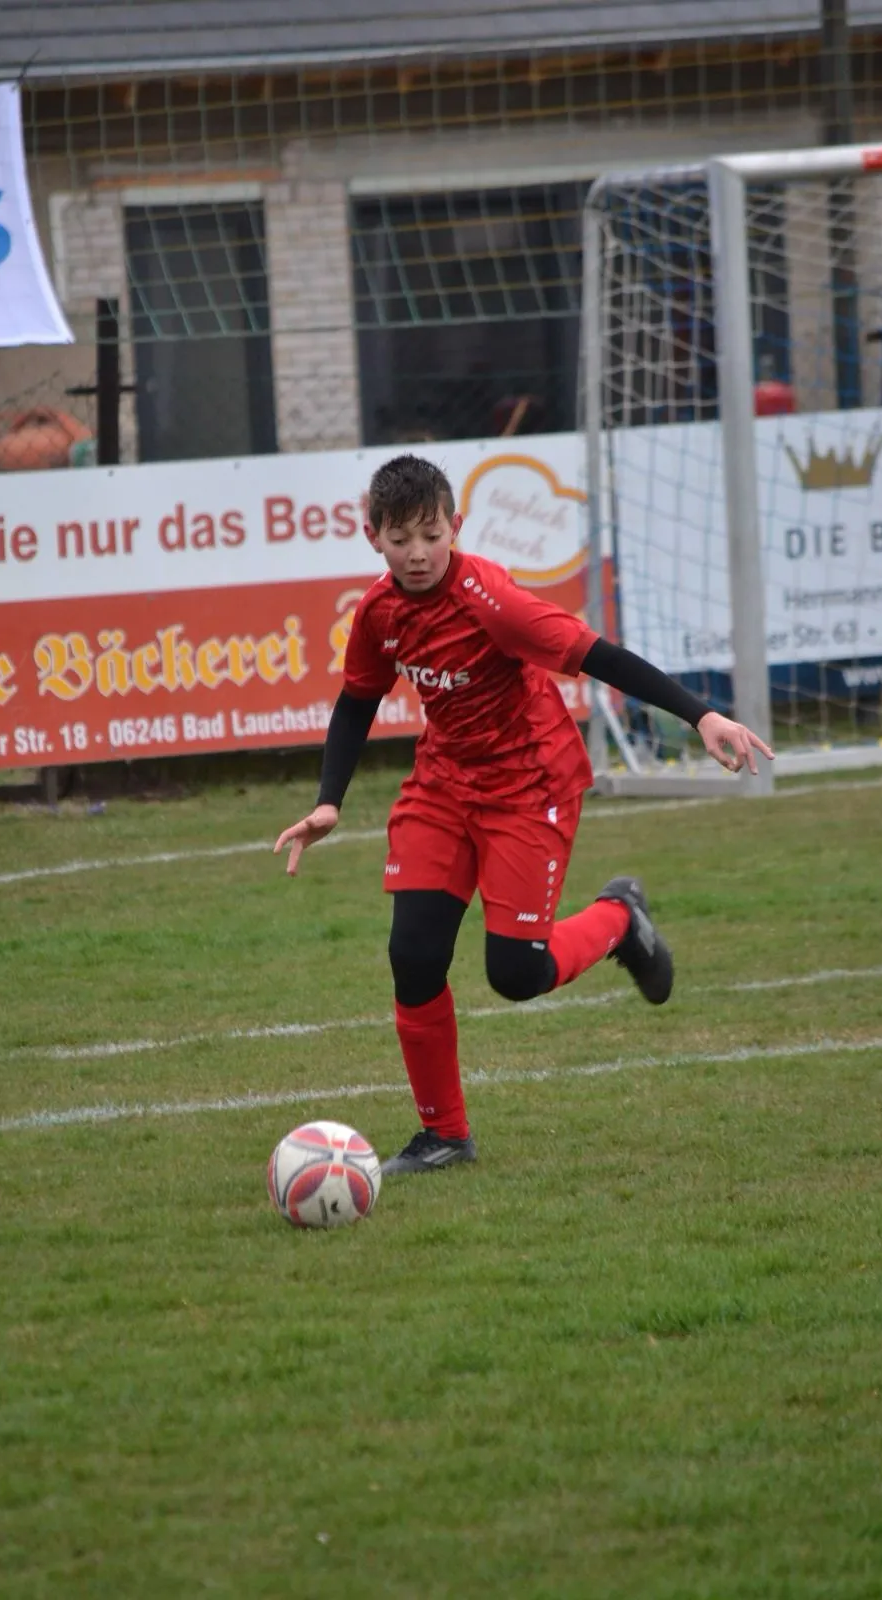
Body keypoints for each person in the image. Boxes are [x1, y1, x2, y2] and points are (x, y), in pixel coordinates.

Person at [273, 455, 774, 1176]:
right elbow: (357, 701)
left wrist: (701, 717)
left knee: (516, 973)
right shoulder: (379, 612)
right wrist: (329, 801)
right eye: (400, 539)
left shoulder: (492, 602)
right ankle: (444, 1135)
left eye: (431, 535)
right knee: (413, 956)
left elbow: (601, 657)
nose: (417, 553)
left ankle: (619, 919)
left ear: (456, 527)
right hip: (444, 784)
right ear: (372, 536)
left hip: (529, 785)